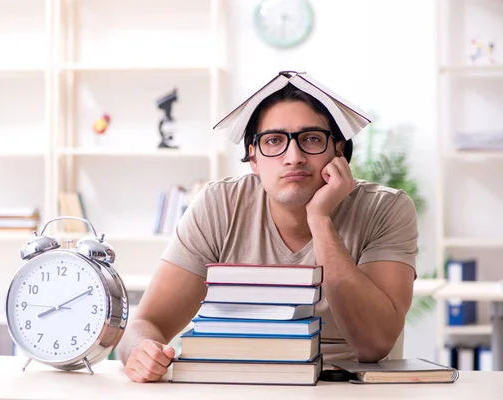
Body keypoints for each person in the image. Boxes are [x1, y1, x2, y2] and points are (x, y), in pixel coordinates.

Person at [116, 75, 418, 383]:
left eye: (311, 139)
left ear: (338, 151)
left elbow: (374, 345)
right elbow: (146, 323)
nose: (293, 157)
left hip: (344, 388)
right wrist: (142, 351)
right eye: (274, 141)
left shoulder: (386, 209)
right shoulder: (219, 205)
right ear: (253, 158)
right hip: (239, 385)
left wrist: (319, 219)